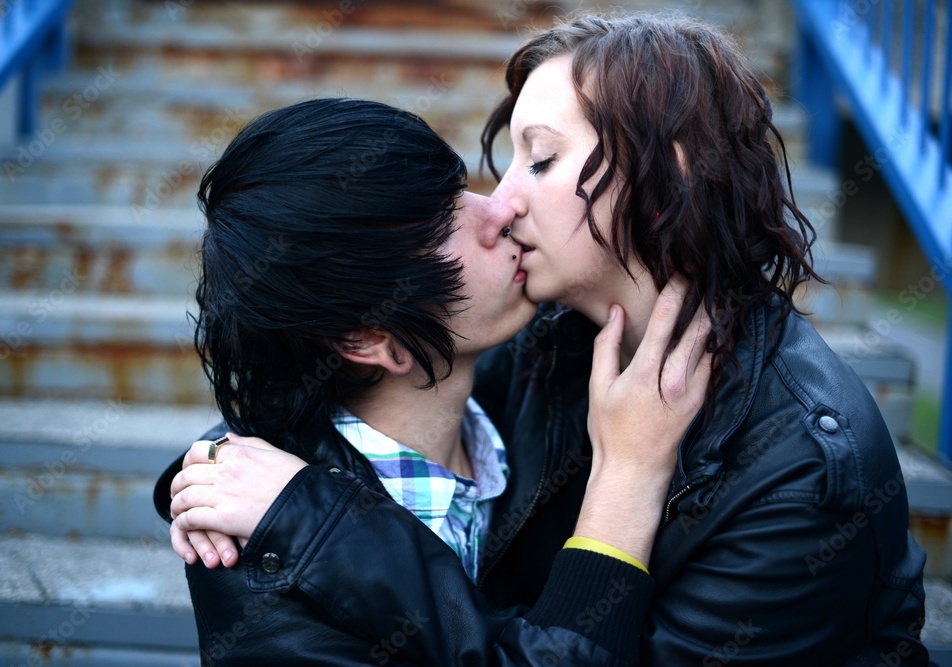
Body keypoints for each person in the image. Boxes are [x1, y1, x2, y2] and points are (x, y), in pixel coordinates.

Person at [167, 14, 932, 665]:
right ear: (375, 338)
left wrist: (314, 519)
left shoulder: (797, 468)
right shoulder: (542, 354)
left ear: (663, 181)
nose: (499, 204)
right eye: (506, 165)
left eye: (540, 158)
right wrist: (240, 479)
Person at [154, 96, 711, 666]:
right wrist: (630, 472)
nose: (498, 210)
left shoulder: (530, 387)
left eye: (460, 189)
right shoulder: (256, 560)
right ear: (369, 339)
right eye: (446, 225)